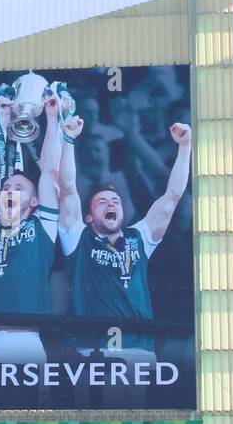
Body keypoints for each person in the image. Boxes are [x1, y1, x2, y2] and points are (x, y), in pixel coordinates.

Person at [56, 110, 192, 363]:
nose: (111, 204)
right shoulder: (77, 238)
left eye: (116, 201)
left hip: (137, 350)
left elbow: (172, 196)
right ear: (88, 217)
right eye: (103, 201)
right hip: (88, 351)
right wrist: (68, 140)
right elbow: (68, 188)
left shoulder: (139, 237)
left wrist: (185, 147)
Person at [0, 73, 64, 365]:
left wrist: (53, 119)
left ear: (34, 202)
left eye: (18, 188)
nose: (9, 190)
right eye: (7, 187)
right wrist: (2, 120)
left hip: (24, 340)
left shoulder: (43, 227)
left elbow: (50, 174)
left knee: (28, 412)